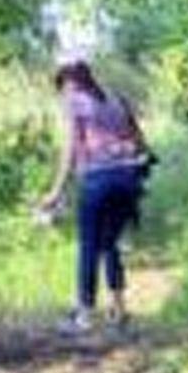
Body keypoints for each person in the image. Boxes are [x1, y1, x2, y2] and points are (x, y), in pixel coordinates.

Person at [39, 59, 150, 332]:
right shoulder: (116, 99)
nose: (63, 95)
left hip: (98, 179)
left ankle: (84, 316)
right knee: (109, 243)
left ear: (69, 83)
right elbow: (140, 142)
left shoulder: (75, 101)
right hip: (128, 178)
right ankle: (120, 310)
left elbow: (71, 150)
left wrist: (56, 191)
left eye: (62, 88)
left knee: (89, 246)